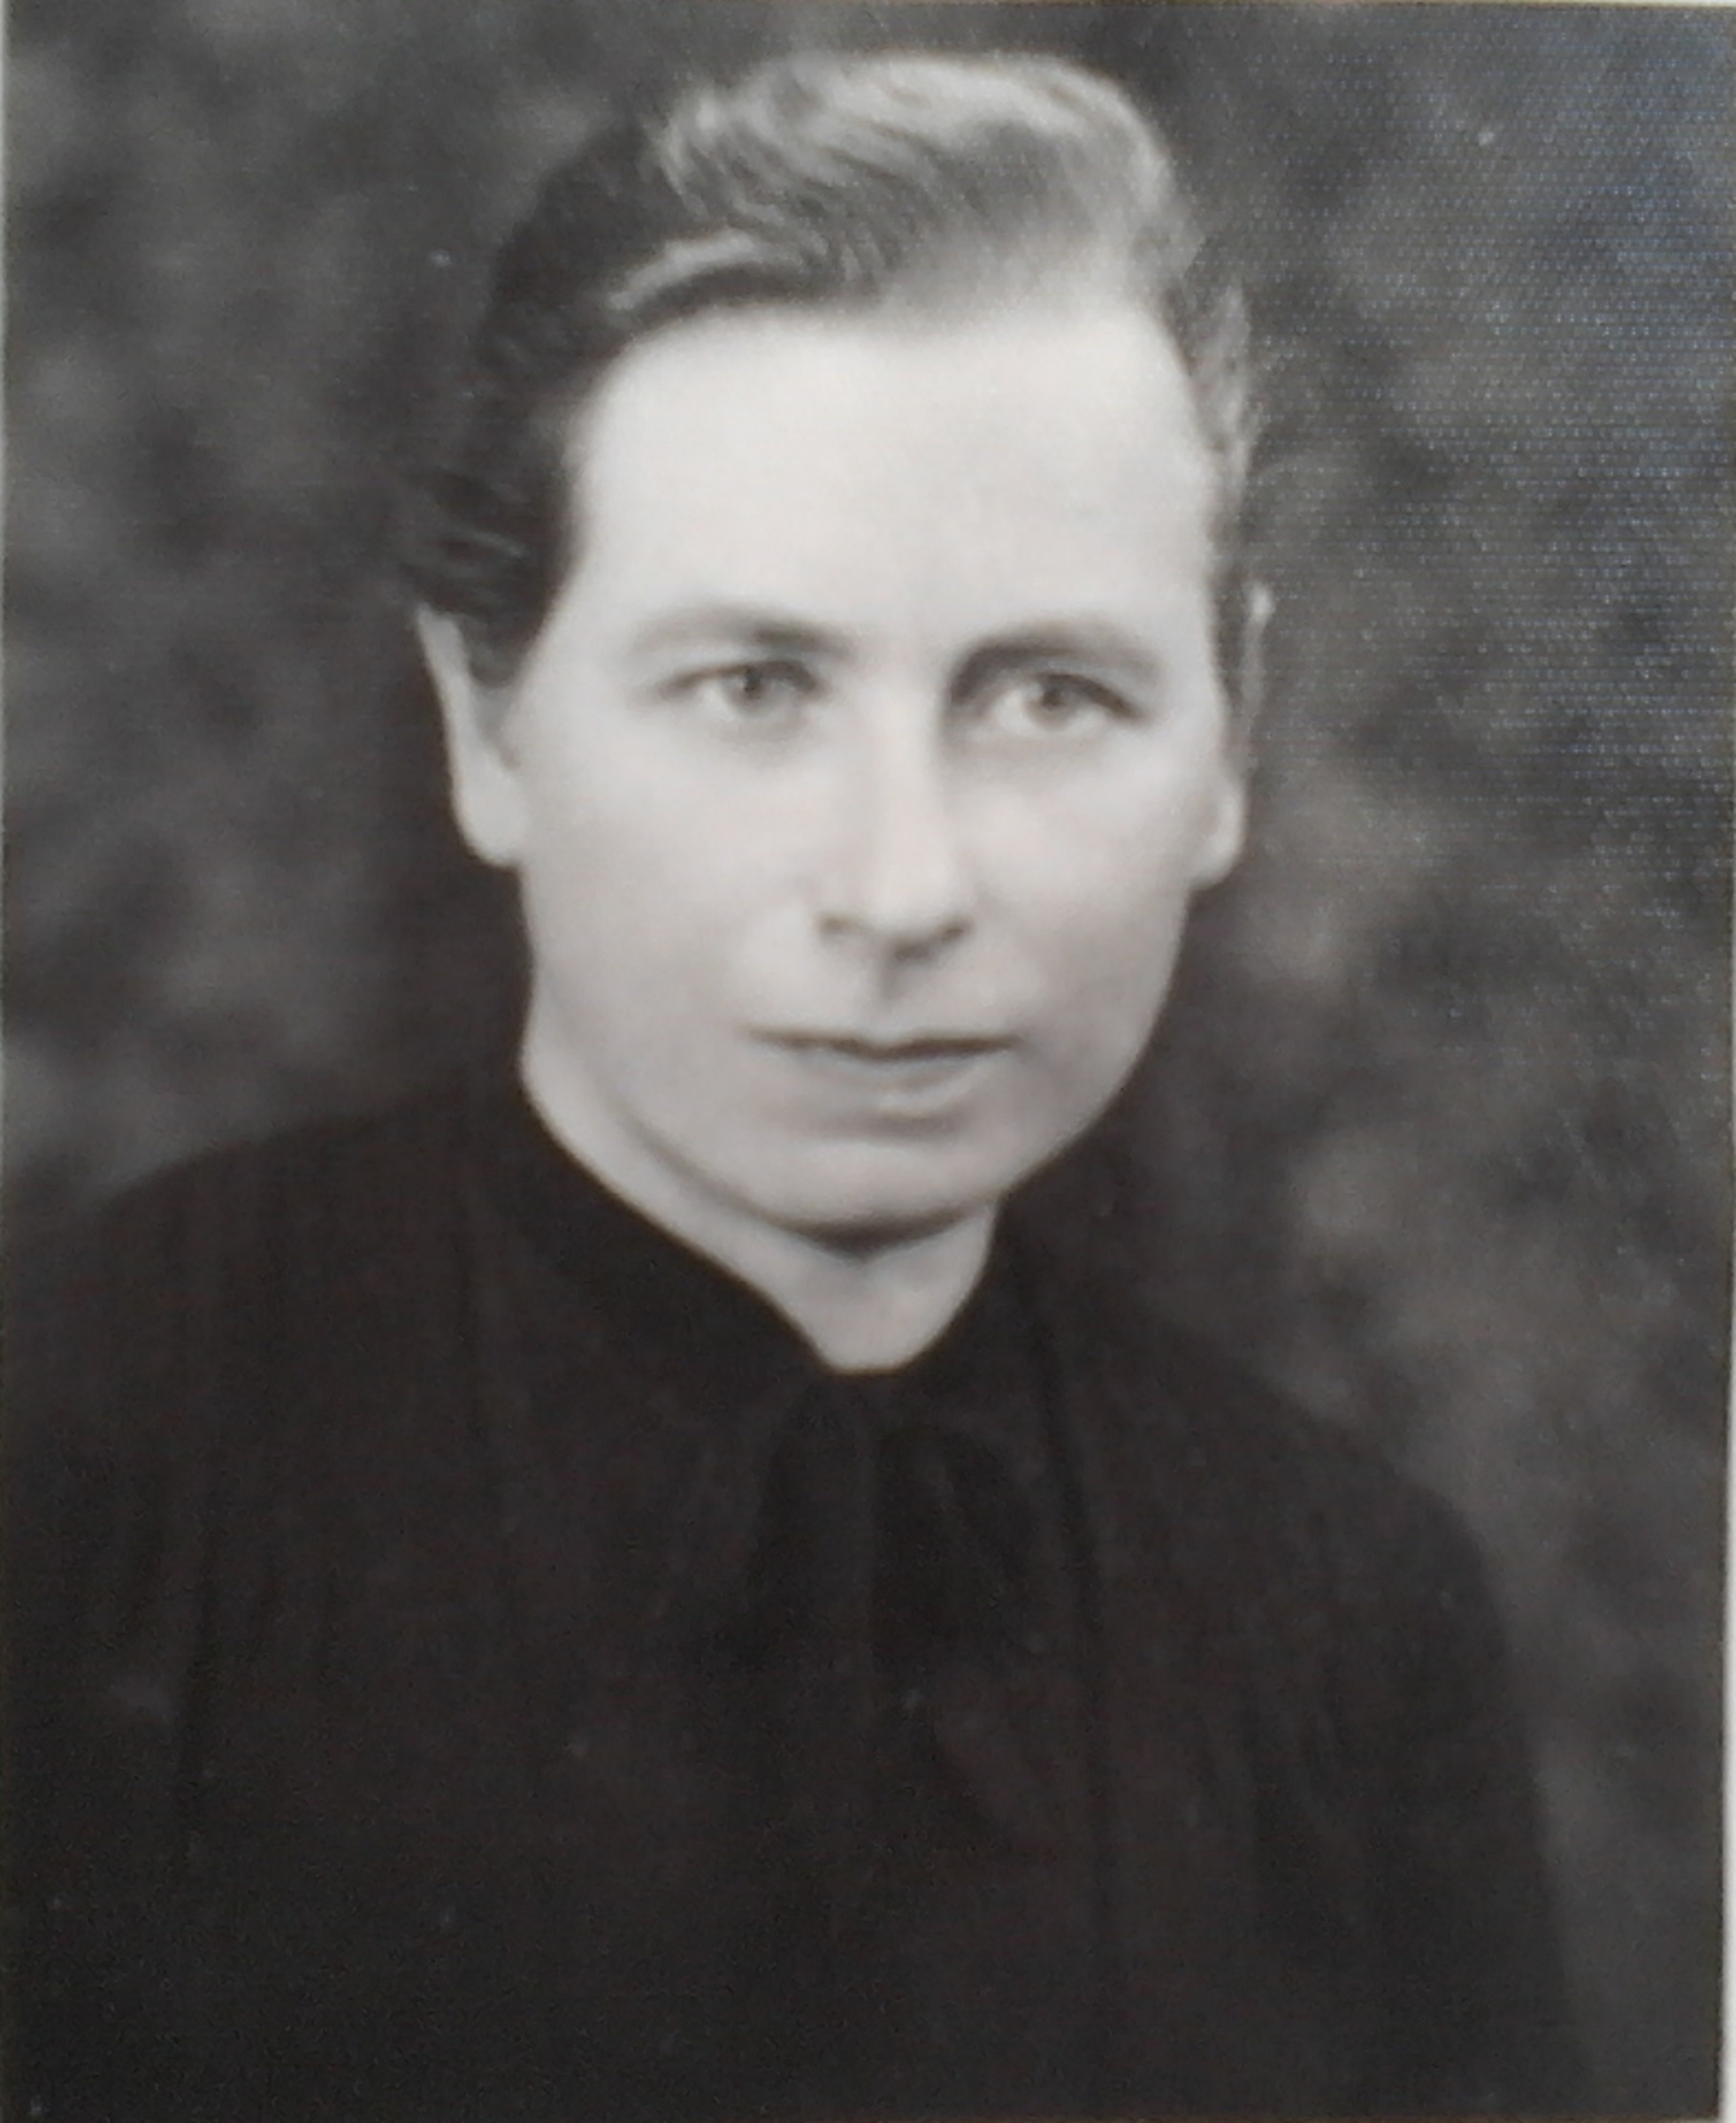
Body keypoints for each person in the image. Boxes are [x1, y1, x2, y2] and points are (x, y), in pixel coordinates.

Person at [7, 48, 1584, 2122]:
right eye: (753, 686)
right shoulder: (81, 1451)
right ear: (489, 726)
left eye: (1050, 695)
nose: (902, 887)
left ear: (1232, 737)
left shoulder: (1349, 1619)